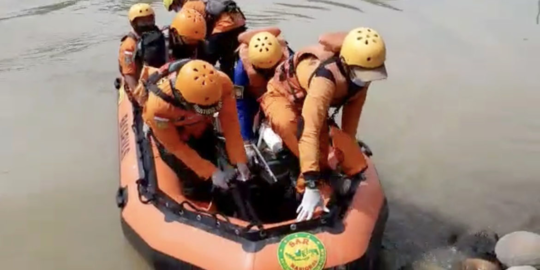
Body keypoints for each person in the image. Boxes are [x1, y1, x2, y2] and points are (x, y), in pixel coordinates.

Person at [259, 27, 388, 221]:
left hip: (310, 98)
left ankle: (332, 179)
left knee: (351, 157)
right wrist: (311, 182)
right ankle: (305, 189)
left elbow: (351, 121)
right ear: (347, 64)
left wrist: (345, 149)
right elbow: (309, 130)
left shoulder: (361, 79)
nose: (367, 80)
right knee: (291, 127)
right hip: (283, 96)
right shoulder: (325, 78)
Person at [141, 59, 251, 200]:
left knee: (210, 151)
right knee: (191, 181)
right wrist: (210, 172)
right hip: (174, 133)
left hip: (200, 126)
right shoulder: (158, 108)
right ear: (183, 100)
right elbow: (175, 146)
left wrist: (239, 159)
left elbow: (230, 123)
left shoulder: (222, 84)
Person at [131, 8, 208, 106]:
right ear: (175, 33)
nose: (193, 44)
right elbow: (149, 76)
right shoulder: (155, 45)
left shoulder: (200, 44)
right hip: (160, 81)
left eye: (196, 41)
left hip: (187, 79)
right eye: (189, 40)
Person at [232, 27, 292, 148]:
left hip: (281, 88)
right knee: (248, 111)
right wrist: (246, 140)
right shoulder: (241, 72)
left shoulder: (291, 62)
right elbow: (241, 105)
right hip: (254, 90)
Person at [163, 0, 247, 79]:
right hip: (238, 24)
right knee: (227, 62)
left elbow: (195, 30)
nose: (175, 10)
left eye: (173, 7)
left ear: (176, 1)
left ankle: (204, 84)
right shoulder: (196, 2)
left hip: (225, 25)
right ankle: (230, 85)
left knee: (204, 61)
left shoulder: (188, 7)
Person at [118, 3, 167, 98]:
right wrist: (140, 97)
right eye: (142, 22)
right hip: (140, 84)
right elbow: (129, 74)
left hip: (157, 79)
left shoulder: (158, 35)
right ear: (133, 23)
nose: (147, 25)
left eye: (149, 20)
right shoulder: (129, 46)